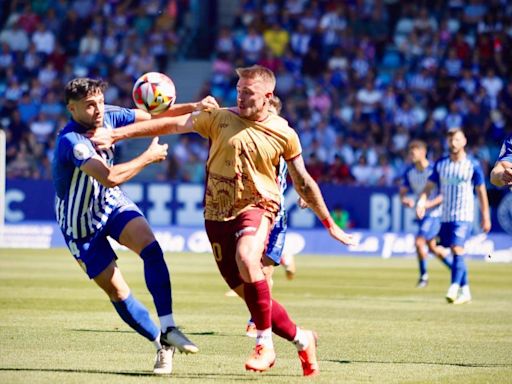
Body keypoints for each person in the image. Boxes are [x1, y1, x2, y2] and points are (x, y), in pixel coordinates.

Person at [89, 65, 355, 376]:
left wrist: (329, 223)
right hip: (217, 216)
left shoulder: (284, 133)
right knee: (250, 294)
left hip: (258, 207)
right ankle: (302, 338)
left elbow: (305, 182)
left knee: (247, 257)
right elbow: (173, 125)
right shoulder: (220, 117)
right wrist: (117, 134)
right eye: (238, 90)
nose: (240, 97)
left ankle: (264, 345)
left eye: (248, 93)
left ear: (268, 97)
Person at [52, 78, 218, 375]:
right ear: (71, 108)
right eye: (90, 105)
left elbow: (156, 116)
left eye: (100, 101)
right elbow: (110, 177)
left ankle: (168, 326)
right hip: (80, 227)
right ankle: (161, 345)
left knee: (152, 249)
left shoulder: (110, 115)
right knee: (118, 292)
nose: (98, 109)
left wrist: (195, 106)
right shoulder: (71, 143)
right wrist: (148, 157)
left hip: (111, 205)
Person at [416, 128, 491, 304]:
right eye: (450, 140)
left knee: (457, 249)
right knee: (452, 250)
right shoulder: (441, 164)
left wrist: (485, 216)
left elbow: (481, 191)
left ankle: (453, 287)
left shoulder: (472, 165)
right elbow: (429, 187)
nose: (453, 143)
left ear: (464, 141)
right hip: (446, 216)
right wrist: (421, 201)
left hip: (464, 215)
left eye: (457, 140)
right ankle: (466, 291)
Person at [400, 140, 452, 288]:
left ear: (423, 152)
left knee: (419, 242)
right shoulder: (409, 172)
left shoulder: (434, 170)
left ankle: (423, 277)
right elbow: (402, 193)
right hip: (422, 214)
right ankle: (454, 268)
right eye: (410, 153)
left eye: (414, 152)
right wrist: (406, 201)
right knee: (432, 248)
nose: (411, 155)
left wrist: (427, 204)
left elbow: (443, 195)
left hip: (436, 213)